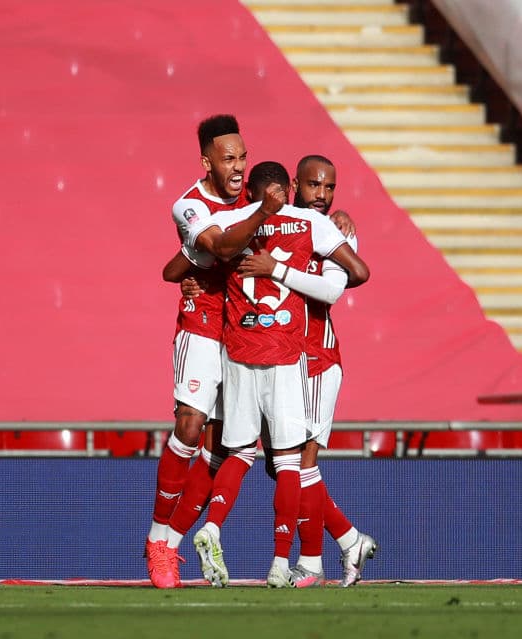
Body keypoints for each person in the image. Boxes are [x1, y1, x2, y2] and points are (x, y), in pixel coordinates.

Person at [213, 161, 370, 588]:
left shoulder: (334, 231)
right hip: (280, 357)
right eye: (314, 184)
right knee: (279, 465)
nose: (322, 193)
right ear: (294, 186)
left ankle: (313, 562)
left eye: (330, 187)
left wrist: (278, 271)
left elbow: (335, 289)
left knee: (300, 463)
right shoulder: (280, 225)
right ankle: (348, 538)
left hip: (316, 358)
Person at [145, 114, 284, 589]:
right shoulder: (189, 206)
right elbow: (220, 246)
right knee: (189, 420)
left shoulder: (253, 197)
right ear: (207, 161)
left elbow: (300, 212)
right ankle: (156, 540)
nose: (240, 166)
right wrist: (263, 214)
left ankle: (174, 547)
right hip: (202, 323)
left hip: (244, 332)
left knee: (223, 449)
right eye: (229, 158)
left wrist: (337, 219)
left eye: (243, 156)